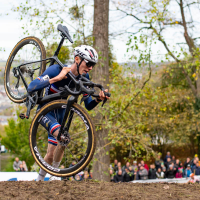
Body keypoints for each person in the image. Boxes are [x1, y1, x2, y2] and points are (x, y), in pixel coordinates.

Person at [28, 45, 110, 181]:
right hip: (45, 112)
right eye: (88, 63)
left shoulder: (84, 77)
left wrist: (98, 99)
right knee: (63, 138)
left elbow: (88, 105)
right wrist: (57, 78)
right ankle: (52, 177)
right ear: (77, 59)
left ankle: (42, 180)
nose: (90, 68)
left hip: (61, 114)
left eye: (93, 65)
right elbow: (31, 87)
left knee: (53, 152)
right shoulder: (56, 70)